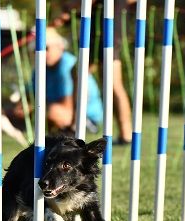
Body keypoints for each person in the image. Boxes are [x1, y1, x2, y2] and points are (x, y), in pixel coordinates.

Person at [54, 0, 134, 144]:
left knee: (113, 83)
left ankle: (126, 133)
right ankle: (75, 124)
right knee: (79, 74)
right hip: (99, 30)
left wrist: (70, 8)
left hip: (107, 32)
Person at [34, 27, 103, 134]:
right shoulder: (39, 68)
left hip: (84, 116)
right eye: (39, 49)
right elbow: (31, 97)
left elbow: (67, 104)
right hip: (56, 110)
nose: (43, 53)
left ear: (60, 47)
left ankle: (78, 127)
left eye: (46, 48)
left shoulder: (67, 64)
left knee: (53, 112)